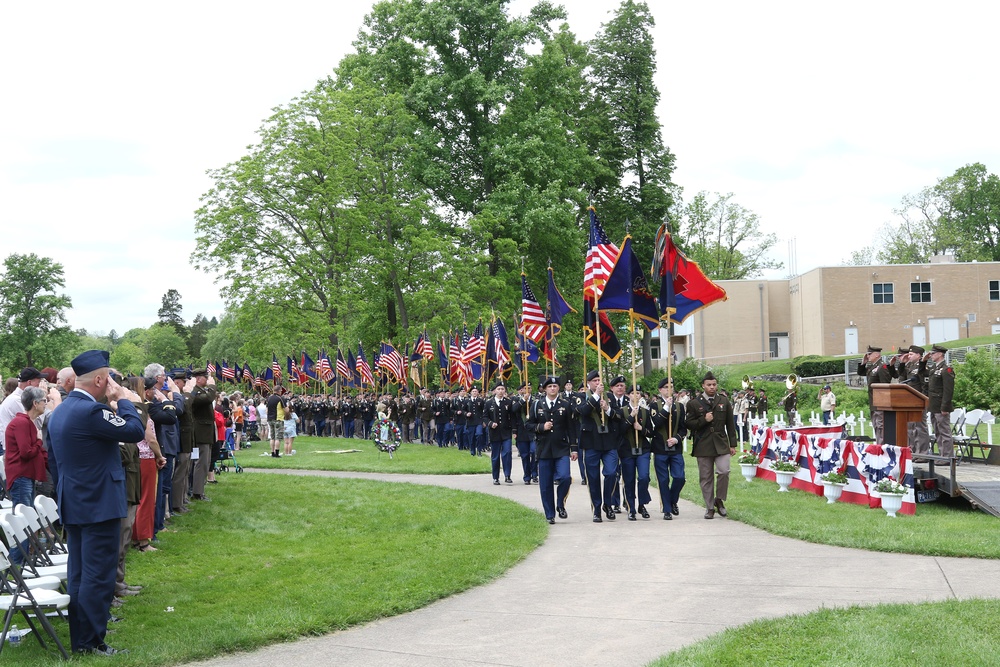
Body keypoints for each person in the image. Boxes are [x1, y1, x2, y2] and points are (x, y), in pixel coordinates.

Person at [47, 350, 145, 656]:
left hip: (76, 501)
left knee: (79, 574)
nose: (112, 384)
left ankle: (83, 637)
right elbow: (134, 430)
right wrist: (125, 398)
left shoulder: (62, 409)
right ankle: (91, 642)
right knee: (98, 575)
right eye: (110, 379)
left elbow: (55, 461)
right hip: (98, 503)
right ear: (100, 379)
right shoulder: (90, 411)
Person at [685, 371, 737, 520]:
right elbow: (689, 424)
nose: (712, 387)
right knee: (706, 477)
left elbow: (730, 424)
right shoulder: (694, 403)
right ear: (703, 386)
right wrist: (704, 420)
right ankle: (709, 507)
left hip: (721, 442)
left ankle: (719, 499)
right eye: (709, 385)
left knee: (724, 471)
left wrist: (732, 444)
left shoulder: (723, 401)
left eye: (714, 384)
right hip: (703, 444)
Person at [527, 375, 577, 524]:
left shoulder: (565, 404)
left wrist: (574, 448)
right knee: (546, 484)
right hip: (544, 449)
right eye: (549, 386)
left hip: (561, 448)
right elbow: (528, 425)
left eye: (555, 386)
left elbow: (571, 428)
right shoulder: (537, 404)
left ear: (559, 388)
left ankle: (560, 503)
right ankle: (550, 513)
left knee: (565, 477)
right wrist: (541, 427)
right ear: (545, 389)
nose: (552, 388)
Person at [576, 371, 624, 522]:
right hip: (591, 442)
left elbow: (618, 417)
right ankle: (596, 509)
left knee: (611, 473)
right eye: (594, 381)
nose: (598, 383)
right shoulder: (581, 396)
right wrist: (596, 396)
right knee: (593, 477)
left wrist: (607, 409)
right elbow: (582, 411)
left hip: (609, 442)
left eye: (599, 380)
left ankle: (608, 504)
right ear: (588, 383)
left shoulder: (609, 397)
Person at [650, 377, 686, 519]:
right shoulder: (654, 406)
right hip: (660, 448)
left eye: (671, 386)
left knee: (679, 477)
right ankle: (666, 509)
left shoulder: (680, 406)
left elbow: (683, 429)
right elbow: (656, 423)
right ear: (660, 390)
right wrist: (666, 408)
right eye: (665, 387)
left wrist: (676, 438)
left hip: (675, 449)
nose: (668, 389)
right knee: (663, 480)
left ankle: (672, 501)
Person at [620, 384, 652, 520]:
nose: (636, 395)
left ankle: (642, 504)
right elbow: (619, 431)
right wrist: (630, 418)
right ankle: (631, 507)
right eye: (633, 393)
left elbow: (651, 432)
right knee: (629, 479)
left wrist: (641, 429)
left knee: (644, 477)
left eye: (638, 393)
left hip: (643, 449)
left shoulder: (645, 412)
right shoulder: (622, 411)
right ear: (628, 395)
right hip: (627, 449)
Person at [858, 345, 892, 442]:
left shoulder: (882, 367)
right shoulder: (872, 367)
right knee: (876, 426)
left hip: (880, 403)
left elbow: (885, 385)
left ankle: (883, 447)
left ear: (877, 355)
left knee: (881, 427)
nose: (868, 356)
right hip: (873, 402)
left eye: (869, 354)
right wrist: (863, 363)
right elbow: (860, 373)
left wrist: (883, 403)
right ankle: (879, 446)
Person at [927, 344, 955, 458]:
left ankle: (948, 456)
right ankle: (942, 455)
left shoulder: (946, 369)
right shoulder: (934, 368)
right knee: (938, 432)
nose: (931, 356)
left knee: (944, 432)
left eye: (933, 353)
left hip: (941, 406)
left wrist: (945, 407)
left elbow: (948, 391)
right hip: (934, 405)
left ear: (940, 354)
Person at [483, 382, 514, 484]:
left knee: (507, 453)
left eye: (502, 389)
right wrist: (490, 423)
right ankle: (495, 477)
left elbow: (512, 417)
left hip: (506, 432)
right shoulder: (488, 403)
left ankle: (507, 475)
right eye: (499, 389)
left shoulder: (508, 402)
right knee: (495, 456)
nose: (501, 391)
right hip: (494, 433)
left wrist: (514, 430)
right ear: (495, 391)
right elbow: (485, 417)